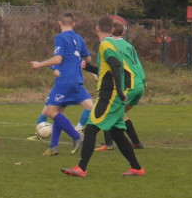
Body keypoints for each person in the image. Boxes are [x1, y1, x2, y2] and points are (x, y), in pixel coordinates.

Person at [62, 15, 144, 177]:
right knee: (116, 132)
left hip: (110, 95)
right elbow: (109, 68)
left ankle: (81, 168)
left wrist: (119, 91)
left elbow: (115, 64)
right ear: (112, 30)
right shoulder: (114, 44)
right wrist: (91, 68)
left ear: (96, 29)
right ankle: (136, 168)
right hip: (114, 94)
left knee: (91, 127)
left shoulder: (106, 44)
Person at [30, 11, 92, 156]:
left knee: (51, 112)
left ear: (59, 24)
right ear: (74, 24)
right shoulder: (79, 38)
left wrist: (39, 64)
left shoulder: (60, 37)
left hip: (65, 80)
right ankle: (54, 147)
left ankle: (77, 136)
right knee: (58, 112)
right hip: (77, 80)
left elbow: (58, 59)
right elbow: (88, 59)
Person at [97, 15, 145, 151]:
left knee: (109, 110)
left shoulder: (112, 46)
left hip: (129, 84)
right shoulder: (129, 45)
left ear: (111, 31)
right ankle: (135, 142)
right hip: (140, 83)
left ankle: (108, 144)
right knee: (119, 113)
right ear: (123, 32)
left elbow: (113, 66)